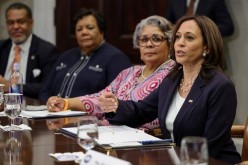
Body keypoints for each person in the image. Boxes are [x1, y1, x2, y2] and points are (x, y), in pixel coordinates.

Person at [98, 15, 242, 164]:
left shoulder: (220, 86)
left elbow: (209, 146)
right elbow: (142, 110)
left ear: (207, 47)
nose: (180, 43)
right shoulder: (172, 79)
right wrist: (116, 105)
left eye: (189, 38)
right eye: (177, 37)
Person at [46, 15, 175, 131]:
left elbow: (158, 117)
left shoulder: (174, 74)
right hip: (109, 134)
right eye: (144, 39)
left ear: (170, 44)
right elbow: (100, 99)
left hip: (144, 143)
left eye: (156, 39)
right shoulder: (130, 72)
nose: (149, 44)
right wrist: (66, 103)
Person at [39, 7, 131, 102]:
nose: (84, 32)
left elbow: (116, 98)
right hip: (52, 113)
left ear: (101, 31)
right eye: (79, 29)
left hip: (89, 116)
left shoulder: (116, 58)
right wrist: (48, 103)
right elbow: (45, 91)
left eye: (90, 28)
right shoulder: (65, 56)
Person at [0, 2, 59, 99]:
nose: (15, 27)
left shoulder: (46, 51)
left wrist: (13, 87)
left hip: (30, 106)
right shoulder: (2, 47)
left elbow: (48, 86)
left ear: (31, 23)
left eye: (21, 22)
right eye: (11, 23)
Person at [166, 0, 234, 37]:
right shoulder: (174, 1)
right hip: (180, 50)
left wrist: (202, 29)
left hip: (207, 52)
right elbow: (167, 25)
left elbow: (227, 27)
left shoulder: (214, 1)